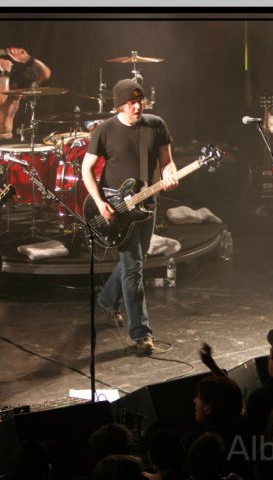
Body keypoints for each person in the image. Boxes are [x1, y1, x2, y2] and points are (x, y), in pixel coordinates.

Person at [80, 79, 178, 352]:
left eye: (140, 101)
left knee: (137, 260)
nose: (137, 106)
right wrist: (99, 203)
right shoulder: (105, 129)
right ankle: (140, 333)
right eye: (131, 102)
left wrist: (170, 173)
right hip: (116, 205)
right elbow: (86, 168)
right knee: (133, 266)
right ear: (120, 105)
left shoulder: (156, 124)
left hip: (147, 203)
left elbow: (167, 161)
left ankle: (108, 299)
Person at [0, 47, 52, 167]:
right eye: (20, 92)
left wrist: (28, 59)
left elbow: (45, 74)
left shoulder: (17, 92)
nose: (21, 96)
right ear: (13, 84)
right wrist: (5, 71)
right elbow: (0, 99)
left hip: (6, 143)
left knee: (46, 142)